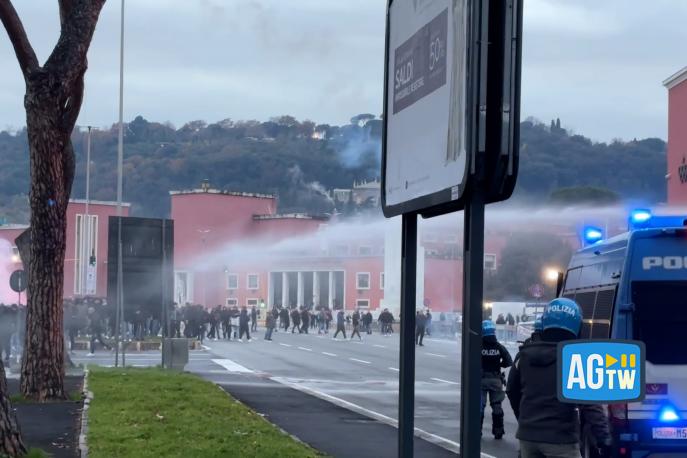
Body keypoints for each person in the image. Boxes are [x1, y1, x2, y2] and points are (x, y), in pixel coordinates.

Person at [506, 298, 612, 458]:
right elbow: (590, 405)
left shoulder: (523, 356)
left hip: (528, 438)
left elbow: (511, 390)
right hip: (561, 440)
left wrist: (524, 420)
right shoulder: (574, 360)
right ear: (576, 328)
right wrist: (603, 439)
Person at [480, 319, 512, 439]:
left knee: (480, 406)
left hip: (481, 380)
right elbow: (509, 361)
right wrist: (499, 365)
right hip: (496, 380)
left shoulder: (478, 346)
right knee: (497, 406)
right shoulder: (499, 347)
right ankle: (498, 431)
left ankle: (477, 431)